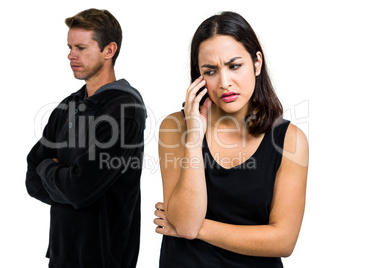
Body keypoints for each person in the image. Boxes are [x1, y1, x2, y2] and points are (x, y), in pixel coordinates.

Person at [154, 11, 308, 267]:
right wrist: (194, 136)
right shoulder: (176, 127)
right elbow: (186, 222)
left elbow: (283, 240)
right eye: (211, 71)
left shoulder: (290, 140)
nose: (225, 82)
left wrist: (195, 228)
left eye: (234, 66)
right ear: (199, 77)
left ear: (257, 62)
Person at [26, 8, 146, 268]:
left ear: (109, 50)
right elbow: (32, 179)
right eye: (70, 47)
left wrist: (50, 167)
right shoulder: (67, 106)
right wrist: (68, 184)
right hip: (61, 253)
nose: (71, 55)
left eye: (81, 47)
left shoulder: (124, 110)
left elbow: (79, 189)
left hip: (104, 258)